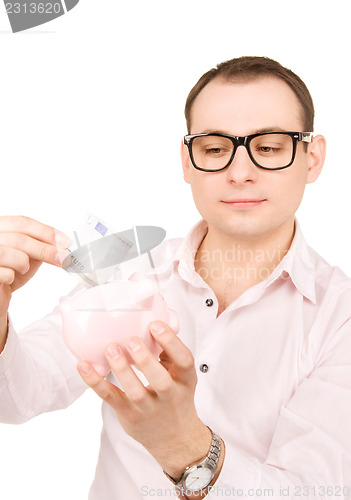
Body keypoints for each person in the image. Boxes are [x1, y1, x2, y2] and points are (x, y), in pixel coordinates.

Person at [1, 55, 351, 500]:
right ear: (187, 162)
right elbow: (17, 398)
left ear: (312, 158)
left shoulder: (341, 318)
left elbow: (314, 491)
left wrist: (183, 445)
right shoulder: (127, 271)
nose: (240, 172)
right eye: (214, 149)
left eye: (268, 147)